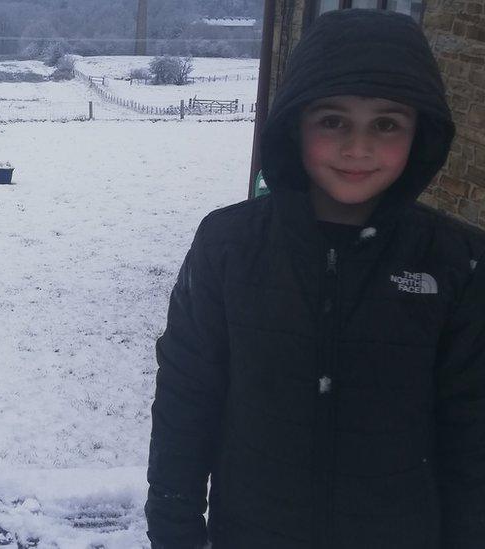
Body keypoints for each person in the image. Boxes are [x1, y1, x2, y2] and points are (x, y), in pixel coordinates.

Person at [146, 9, 485, 548]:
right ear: (294, 125)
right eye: (333, 121)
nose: (358, 148)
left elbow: (472, 436)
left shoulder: (457, 263)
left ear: (421, 133)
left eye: (387, 123)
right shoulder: (229, 246)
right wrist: (174, 527)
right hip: (253, 531)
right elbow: (188, 394)